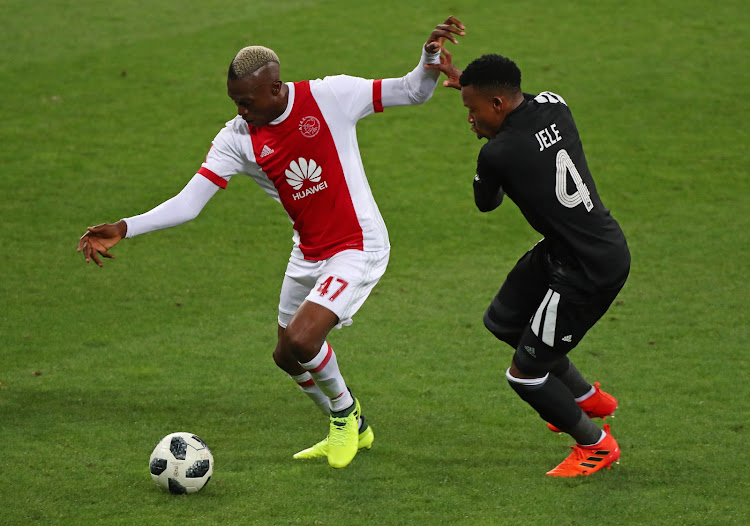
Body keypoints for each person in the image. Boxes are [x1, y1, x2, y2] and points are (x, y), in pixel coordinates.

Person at [78, 17, 466, 469]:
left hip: (357, 245)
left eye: (246, 101)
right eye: (235, 102)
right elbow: (189, 203)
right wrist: (125, 226)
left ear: (275, 87)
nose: (240, 111)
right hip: (308, 251)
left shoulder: (330, 96)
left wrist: (430, 58)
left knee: (304, 340)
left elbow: (412, 90)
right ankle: (352, 429)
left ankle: (345, 416)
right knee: (286, 356)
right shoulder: (236, 138)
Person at [426, 52, 630, 477]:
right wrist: (472, 85)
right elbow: (524, 104)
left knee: (525, 375)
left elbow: (487, 203)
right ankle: (584, 397)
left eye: (472, 109)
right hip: (566, 246)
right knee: (503, 322)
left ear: (497, 104)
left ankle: (595, 444)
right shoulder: (557, 104)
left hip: (587, 269)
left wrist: (488, 147)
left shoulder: (499, 153)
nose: (470, 119)